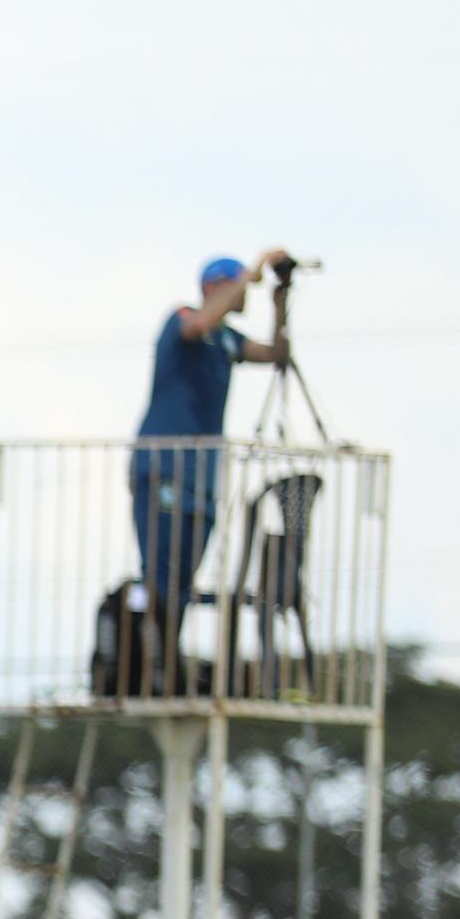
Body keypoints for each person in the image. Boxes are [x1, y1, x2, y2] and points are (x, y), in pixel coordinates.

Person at [131, 249, 293, 653]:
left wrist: (280, 302)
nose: (245, 294)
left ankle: (167, 659)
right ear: (216, 285)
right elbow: (199, 322)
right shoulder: (183, 318)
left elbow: (277, 356)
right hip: (163, 467)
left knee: (184, 578)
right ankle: (148, 658)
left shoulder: (227, 339)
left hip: (202, 478)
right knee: (161, 572)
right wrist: (253, 271)